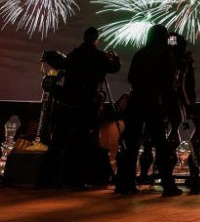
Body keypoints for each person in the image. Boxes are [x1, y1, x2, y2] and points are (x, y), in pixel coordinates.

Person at [43, 27, 120, 189]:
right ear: (96, 40)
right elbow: (115, 68)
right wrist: (115, 58)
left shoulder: (74, 54)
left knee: (58, 141)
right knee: (80, 142)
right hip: (86, 104)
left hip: (67, 103)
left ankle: (47, 179)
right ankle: (76, 180)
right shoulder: (99, 56)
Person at [115, 25, 181, 196]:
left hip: (136, 100)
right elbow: (169, 80)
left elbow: (131, 77)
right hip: (153, 101)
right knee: (160, 144)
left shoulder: (140, 53)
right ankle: (168, 185)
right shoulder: (166, 53)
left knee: (131, 144)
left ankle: (125, 183)